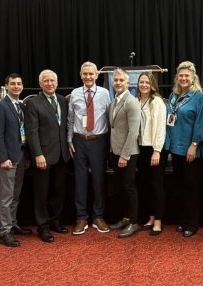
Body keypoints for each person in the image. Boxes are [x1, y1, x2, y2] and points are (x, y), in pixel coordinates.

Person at [164, 61, 203, 237]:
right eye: (180, 75)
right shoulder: (173, 96)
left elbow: (201, 123)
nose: (183, 78)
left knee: (191, 188)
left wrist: (194, 145)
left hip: (191, 150)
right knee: (180, 187)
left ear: (193, 78)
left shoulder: (199, 97)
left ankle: (192, 223)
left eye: (186, 76)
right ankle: (183, 220)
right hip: (175, 149)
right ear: (177, 78)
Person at [25, 69, 69, 243]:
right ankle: (42, 227)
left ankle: (55, 221)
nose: (50, 83)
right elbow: (31, 131)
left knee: (58, 191)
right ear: (40, 83)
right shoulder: (34, 103)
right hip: (43, 156)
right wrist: (38, 154)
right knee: (41, 193)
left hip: (61, 155)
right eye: (46, 81)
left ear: (57, 83)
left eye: (52, 80)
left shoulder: (62, 100)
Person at [67, 61, 111, 235]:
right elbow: (70, 119)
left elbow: (110, 118)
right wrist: (69, 140)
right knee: (80, 180)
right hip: (79, 141)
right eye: (85, 74)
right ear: (80, 75)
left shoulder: (105, 93)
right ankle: (81, 217)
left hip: (99, 141)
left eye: (91, 74)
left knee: (99, 180)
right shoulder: (75, 93)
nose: (88, 77)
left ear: (97, 75)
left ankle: (98, 217)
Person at [0, 73, 31, 247]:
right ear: (6, 86)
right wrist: (3, 157)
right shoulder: (0, 106)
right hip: (7, 158)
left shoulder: (21, 105)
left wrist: (27, 156)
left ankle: (13, 223)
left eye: (19, 84)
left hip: (21, 155)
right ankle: (5, 231)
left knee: (16, 194)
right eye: (13, 84)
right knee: (6, 196)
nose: (16, 86)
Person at [108, 68, 141, 238]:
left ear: (128, 83)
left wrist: (124, 155)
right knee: (121, 187)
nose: (118, 83)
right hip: (115, 152)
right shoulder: (114, 101)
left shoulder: (131, 102)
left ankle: (134, 222)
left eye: (122, 80)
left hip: (127, 154)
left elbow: (133, 132)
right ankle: (126, 217)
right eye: (116, 80)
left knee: (129, 187)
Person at [136, 72, 166, 236]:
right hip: (139, 149)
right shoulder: (136, 101)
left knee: (156, 186)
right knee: (145, 185)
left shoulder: (158, 102)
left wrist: (157, 150)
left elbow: (161, 128)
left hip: (153, 149)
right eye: (141, 82)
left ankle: (159, 221)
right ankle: (151, 217)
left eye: (147, 82)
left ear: (152, 84)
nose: (144, 85)